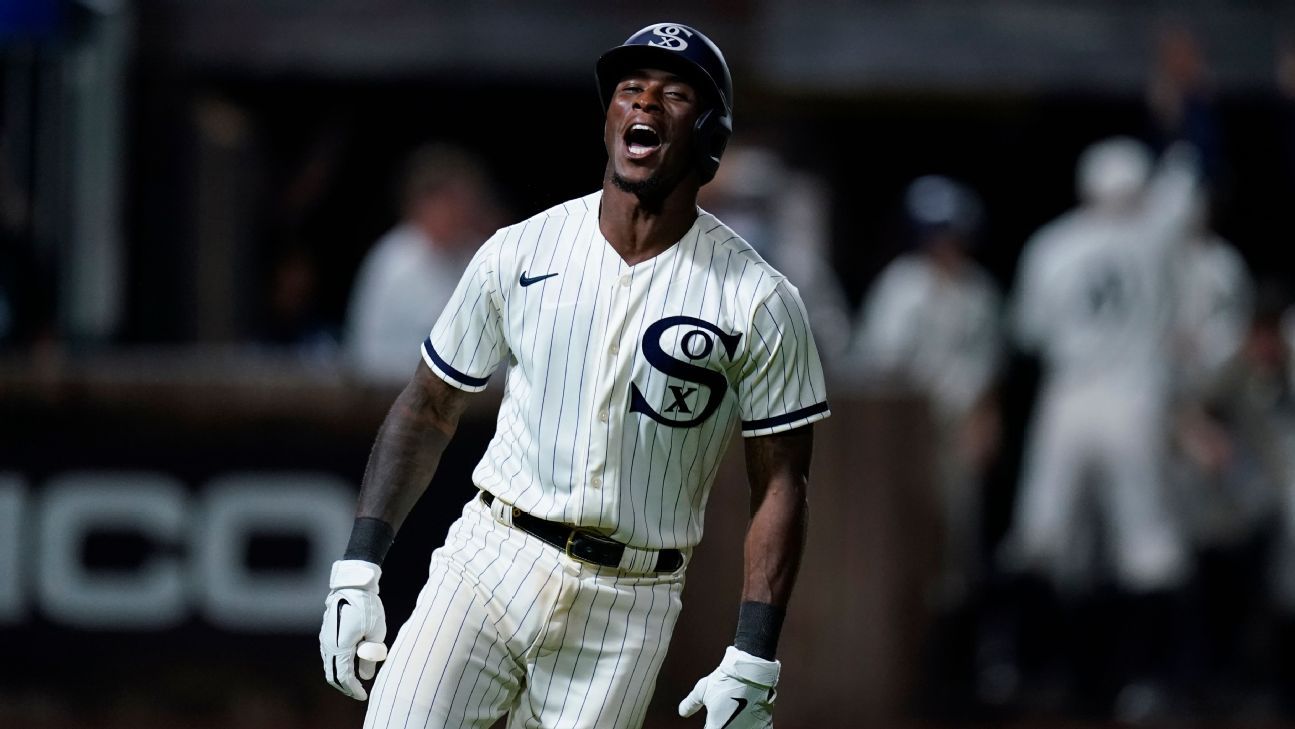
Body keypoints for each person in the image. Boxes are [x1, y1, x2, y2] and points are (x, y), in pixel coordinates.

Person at [318, 22, 830, 729]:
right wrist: (359, 562)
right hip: (489, 560)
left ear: (710, 133)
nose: (645, 104)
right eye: (630, 89)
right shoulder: (518, 249)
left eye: (674, 94)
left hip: (629, 602)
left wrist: (753, 651)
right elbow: (427, 405)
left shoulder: (760, 299)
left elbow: (779, 478)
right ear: (609, 119)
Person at [1000, 136, 1200, 718]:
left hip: (1070, 396)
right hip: (1133, 396)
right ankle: (1145, 679)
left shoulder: (1052, 243)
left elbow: (1030, 334)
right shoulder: (1156, 235)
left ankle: (1038, 670)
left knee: (1044, 533)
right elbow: (1188, 181)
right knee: (1145, 542)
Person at [851, 175, 1003, 610]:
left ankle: (952, 643)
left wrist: (986, 422)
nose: (948, 245)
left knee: (958, 542)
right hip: (911, 430)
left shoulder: (979, 292)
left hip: (959, 429)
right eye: (939, 235)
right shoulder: (903, 285)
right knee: (908, 536)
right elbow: (879, 368)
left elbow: (988, 370)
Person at [344, 143, 502, 383]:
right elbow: (367, 353)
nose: (464, 212)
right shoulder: (393, 260)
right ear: (426, 202)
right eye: (453, 202)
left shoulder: (475, 255)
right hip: (392, 399)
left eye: (468, 202)